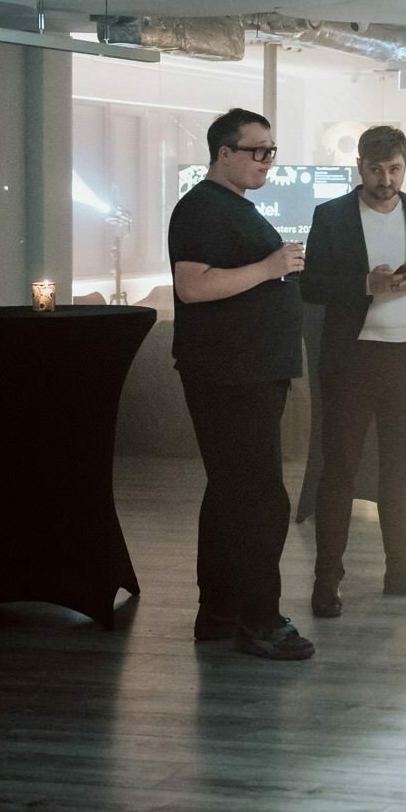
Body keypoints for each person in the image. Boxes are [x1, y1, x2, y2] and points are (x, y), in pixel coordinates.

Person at [168, 108, 314, 660]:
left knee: (232, 495)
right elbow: (192, 287)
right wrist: (270, 266)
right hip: (231, 375)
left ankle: (221, 611)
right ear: (223, 153)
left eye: (271, 151)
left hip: (247, 371)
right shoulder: (203, 207)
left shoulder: (228, 207)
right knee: (259, 500)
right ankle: (260, 621)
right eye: (256, 150)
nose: (266, 161)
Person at [300, 125, 406, 616]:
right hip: (351, 360)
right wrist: (364, 285)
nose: (385, 180)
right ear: (360, 165)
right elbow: (311, 285)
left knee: (401, 470)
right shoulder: (332, 215)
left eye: (395, 170)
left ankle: (402, 568)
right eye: (375, 169)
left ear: (405, 166)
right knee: (339, 469)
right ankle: (327, 578)